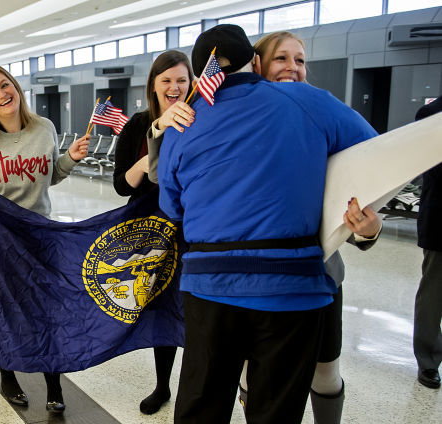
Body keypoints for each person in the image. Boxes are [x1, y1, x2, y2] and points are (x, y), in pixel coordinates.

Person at [157, 24, 377, 424]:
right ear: (255, 62)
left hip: (210, 287)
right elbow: (374, 151)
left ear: (203, 74)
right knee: (276, 410)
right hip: (292, 287)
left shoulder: (184, 121)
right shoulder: (308, 101)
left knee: (201, 406)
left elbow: (171, 206)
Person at [233, 31, 382, 424]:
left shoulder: (323, 117)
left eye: (300, 60)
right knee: (252, 368)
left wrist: (368, 229)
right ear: (258, 65)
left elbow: (360, 188)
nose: (293, 68)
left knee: (325, 370)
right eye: (282, 58)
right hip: (254, 276)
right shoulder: (237, 123)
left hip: (319, 273)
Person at [0, 66, 89, 413]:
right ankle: (8, 376)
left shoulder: (44, 128)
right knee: (3, 312)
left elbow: (52, 176)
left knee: (48, 313)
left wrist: (70, 160)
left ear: (16, 87)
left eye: (5, 85)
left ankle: (54, 383)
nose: (2, 94)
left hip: (39, 236)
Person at [113, 49, 195, 415]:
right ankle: (163, 385)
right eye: (167, 81)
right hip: (151, 234)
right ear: (154, 86)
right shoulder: (138, 124)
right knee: (161, 307)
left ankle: (197, 385)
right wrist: (152, 152)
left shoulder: (200, 120)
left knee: (193, 308)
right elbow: (121, 186)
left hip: (193, 230)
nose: (175, 87)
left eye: (182, 80)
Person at [413, 95, 442, 389]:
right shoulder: (431, 113)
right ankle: (429, 361)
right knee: (434, 294)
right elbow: (432, 163)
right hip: (441, 220)